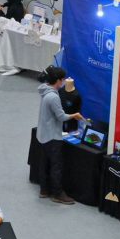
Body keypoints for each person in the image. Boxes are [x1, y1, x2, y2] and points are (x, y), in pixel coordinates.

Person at [37, 66, 85, 204]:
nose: (63, 82)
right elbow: (61, 117)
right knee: (56, 166)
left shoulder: (44, 90)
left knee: (44, 163)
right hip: (52, 136)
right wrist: (74, 115)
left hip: (42, 134)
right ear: (58, 80)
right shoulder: (53, 97)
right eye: (62, 80)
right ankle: (57, 193)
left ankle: (44, 189)